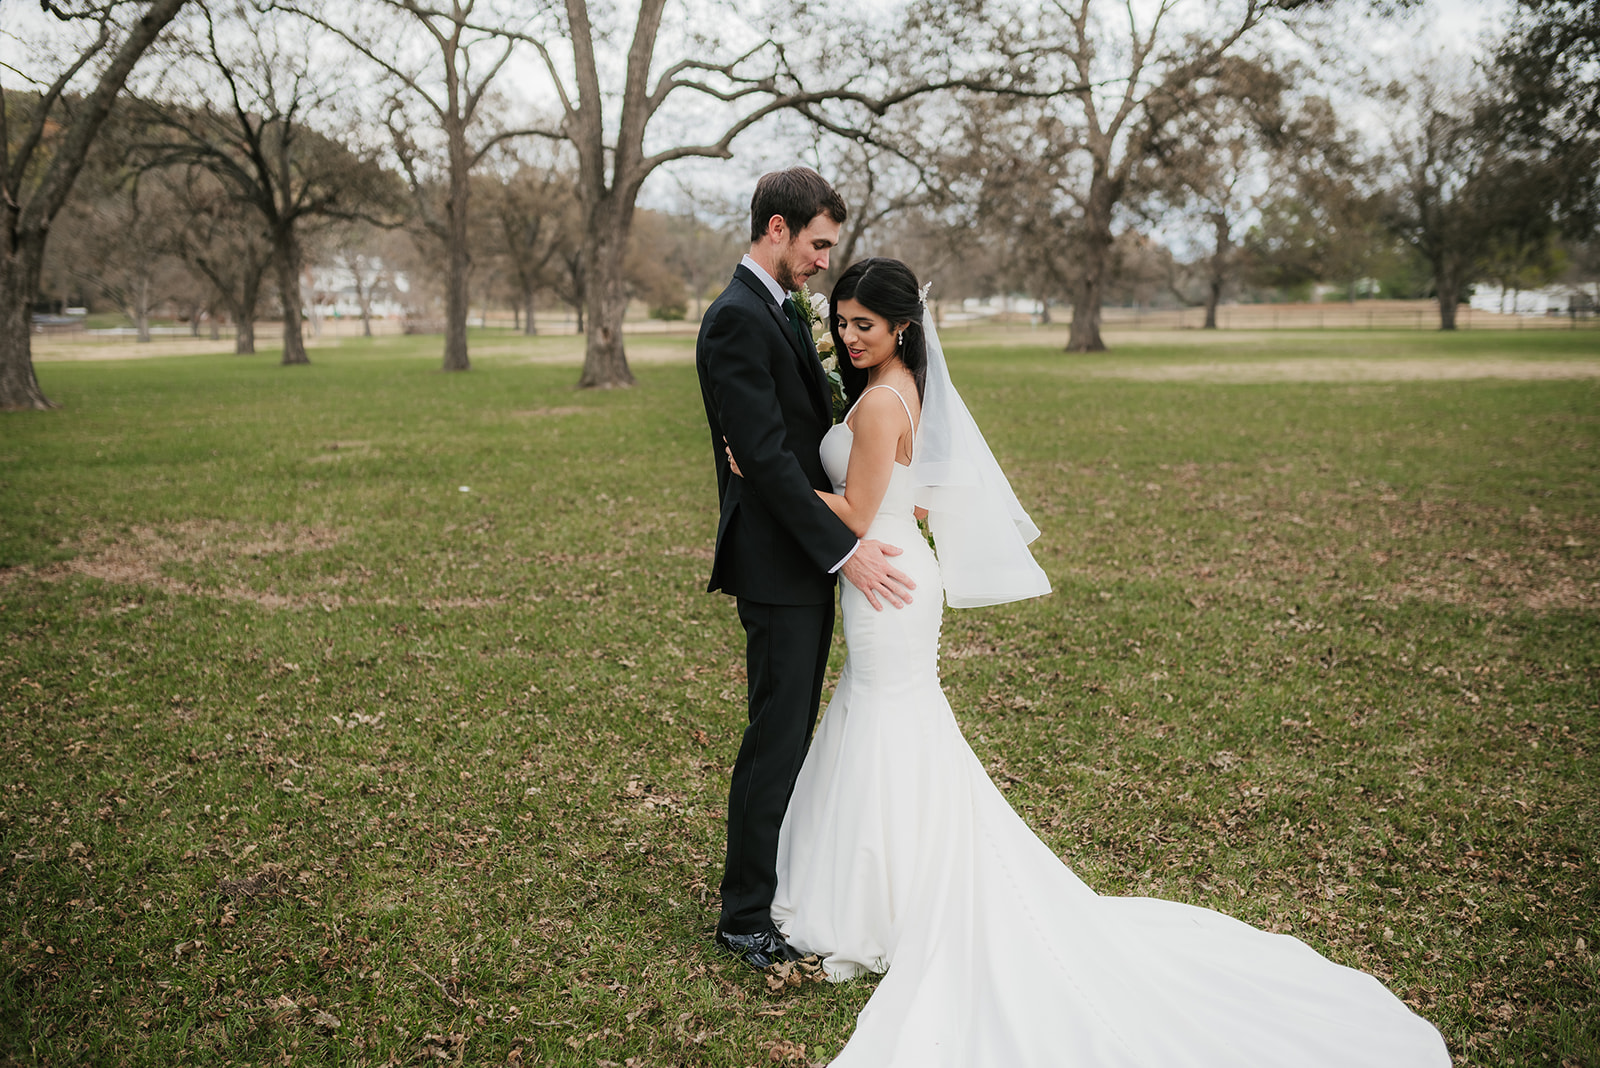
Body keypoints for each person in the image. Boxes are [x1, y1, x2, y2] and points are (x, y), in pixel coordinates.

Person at [738, 257, 1451, 1065]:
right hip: (901, 568)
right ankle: (886, 883)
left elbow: (857, 509)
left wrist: (768, 476)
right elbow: (920, 491)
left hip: (883, 579)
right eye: (841, 323)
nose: (847, 336)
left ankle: (880, 897)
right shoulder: (911, 390)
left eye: (862, 324)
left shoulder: (877, 405)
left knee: (886, 717)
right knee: (894, 718)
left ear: (902, 324)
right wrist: (885, 507)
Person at [695, 169, 916, 970]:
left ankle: (773, 884)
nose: (826, 260)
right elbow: (761, 458)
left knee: (787, 732)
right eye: (820, 243)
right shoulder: (734, 320)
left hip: (804, 554)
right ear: (779, 228)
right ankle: (744, 915)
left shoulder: (778, 307)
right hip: (778, 563)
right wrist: (849, 549)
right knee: (776, 736)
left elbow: (799, 443)